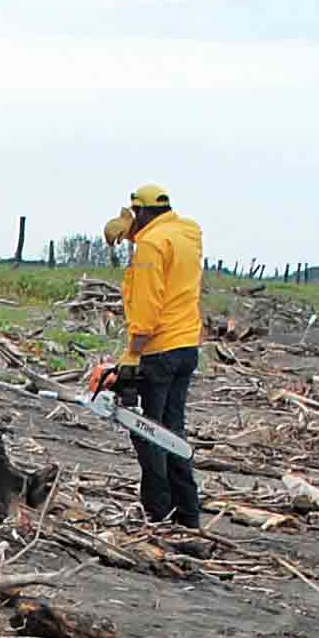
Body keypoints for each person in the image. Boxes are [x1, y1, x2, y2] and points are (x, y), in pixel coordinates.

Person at [109, 184, 205, 527]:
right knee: (173, 433)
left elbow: (147, 304)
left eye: (134, 214)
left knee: (149, 432)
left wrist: (133, 353)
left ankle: (160, 513)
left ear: (143, 212)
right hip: (185, 346)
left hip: (158, 348)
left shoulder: (151, 244)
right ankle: (188, 514)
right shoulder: (186, 233)